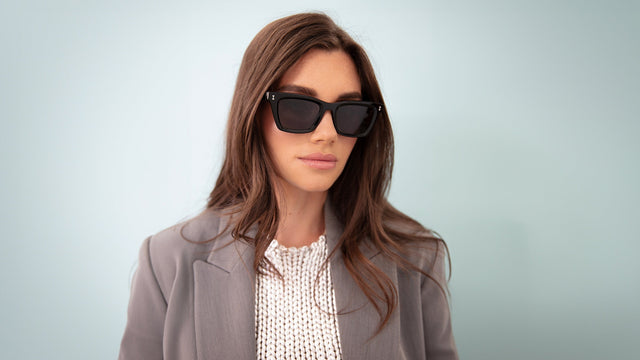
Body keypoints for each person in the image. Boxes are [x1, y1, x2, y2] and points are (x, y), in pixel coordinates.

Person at [119, 12, 458, 360]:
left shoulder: (414, 257)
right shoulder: (167, 261)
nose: (327, 134)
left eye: (349, 112)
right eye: (298, 107)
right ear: (254, 113)